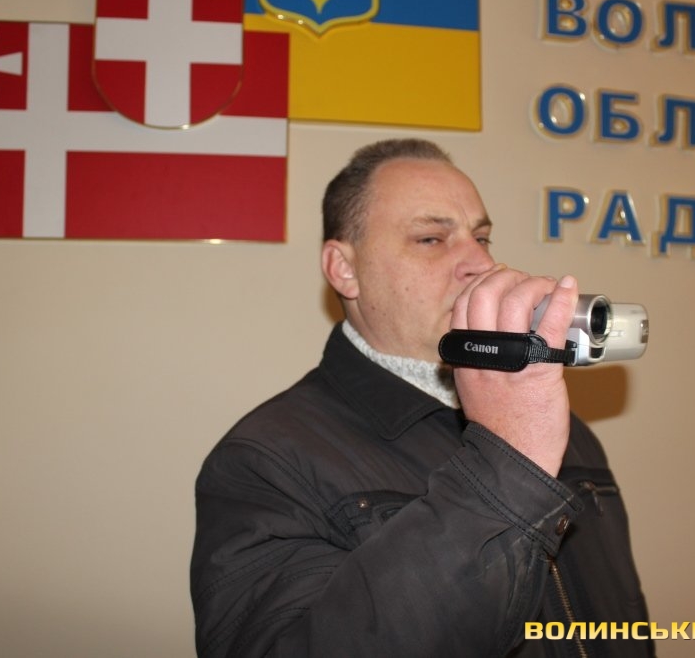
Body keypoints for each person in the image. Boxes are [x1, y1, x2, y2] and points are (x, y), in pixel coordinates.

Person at [191, 139, 654, 657]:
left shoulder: (559, 428)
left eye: (482, 237)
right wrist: (506, 465)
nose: (481, 262)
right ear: (344, 268)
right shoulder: (266, 463)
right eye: (431, 238)